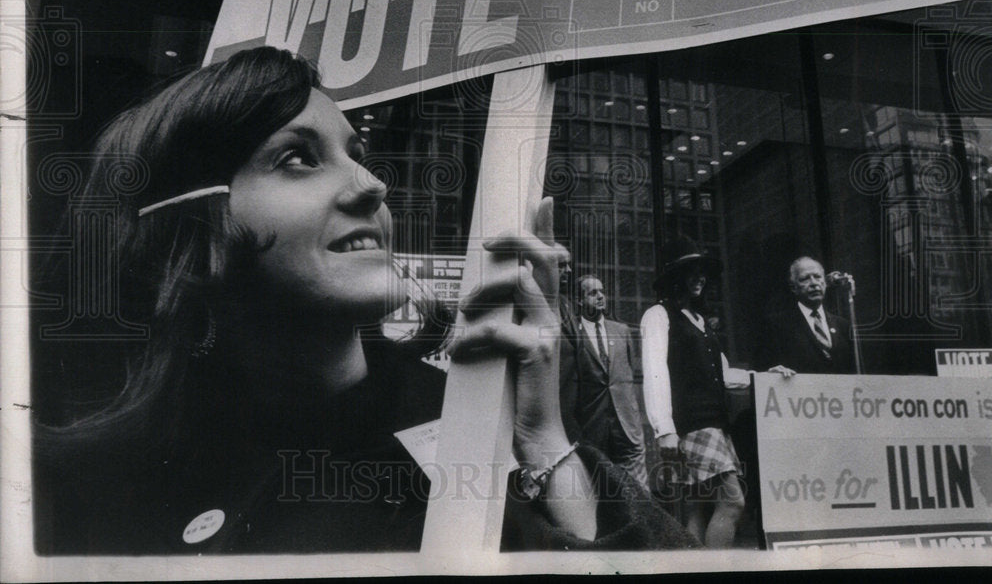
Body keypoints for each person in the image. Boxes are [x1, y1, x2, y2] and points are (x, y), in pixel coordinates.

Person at [34, 46, 697, 554]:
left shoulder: (478, 418)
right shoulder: (83, 481)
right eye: (297, 158)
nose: (372, 185)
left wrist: (545, 439)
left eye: (358, 152)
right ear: (189, 222)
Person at [640, 236, 750, 548]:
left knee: (699, 508)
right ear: (676, 277)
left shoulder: (701, 322)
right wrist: (664, 429)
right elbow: (655, 371)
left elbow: (725, 374)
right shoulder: (659, 316)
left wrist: (765, 378)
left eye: (703, 271)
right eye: (692, 271)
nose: (700, 278)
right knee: (733, 502)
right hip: (692, 427)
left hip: (715, 425)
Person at [559, 275, 649, 491]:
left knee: (640, 492)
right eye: (592, 293)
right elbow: (569, 385)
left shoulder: (622, 331)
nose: (600, 296)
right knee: (601, 493)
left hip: (627, 426)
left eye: (601, 291)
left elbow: (627, 377)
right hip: (593, 427)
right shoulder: (573, 335)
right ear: (580, 301)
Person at [755, 256, 857, 375]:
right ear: (794, 287)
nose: (814, 283)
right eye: (805, 279)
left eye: (818, 277)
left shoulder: (843, 326)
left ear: (825, 282)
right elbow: (762, 370)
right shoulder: (776, 326)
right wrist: (772, 372)